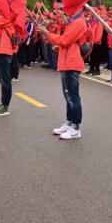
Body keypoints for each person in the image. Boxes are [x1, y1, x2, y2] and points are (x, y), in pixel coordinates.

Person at [38, 10, 88, 140]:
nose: (63, 17)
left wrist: (47, 33)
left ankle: (76, 128)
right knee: (68, 96)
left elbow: (65, 41)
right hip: (66, 63)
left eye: (65, 14)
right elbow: (66, 43)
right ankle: (70, 123)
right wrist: (58, 46)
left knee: (73, 96)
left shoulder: (79, 22)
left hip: (72, 63)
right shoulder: (72, 23)